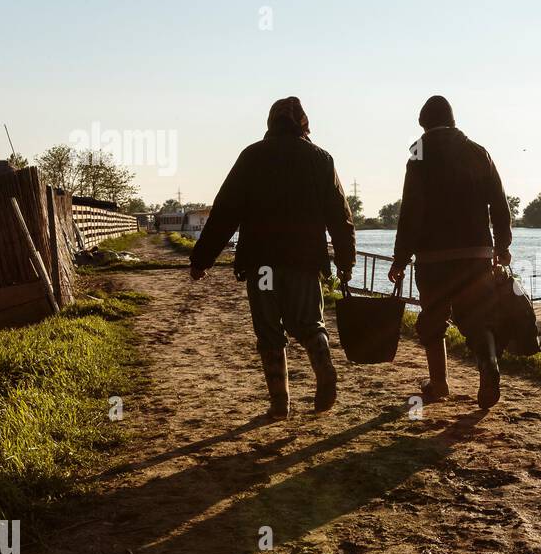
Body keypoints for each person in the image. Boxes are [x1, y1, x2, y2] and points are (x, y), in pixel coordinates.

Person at [189, 97, 356, 420]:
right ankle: (325, 370)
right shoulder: (320, 159)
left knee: (269, 332)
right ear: (304, 123)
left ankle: (280, 403)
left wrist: (202, 259)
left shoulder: (252, 156)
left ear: (270, 123)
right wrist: (346, 262)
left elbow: (225, 212)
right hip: (304, 261)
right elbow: (341, 217)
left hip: (261, 262)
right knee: (310, 324)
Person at [388, 95, 512, 409]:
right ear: (453, 121)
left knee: (433, 318)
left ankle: (440, 383)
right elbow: (499, 204)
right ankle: (488, 365)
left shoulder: (418, 154)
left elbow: (411, 211)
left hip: (434, 257)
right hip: (477, 254)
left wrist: (401, 258)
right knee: (478, 317)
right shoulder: (478, 152)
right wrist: (502, 246)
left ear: (423, 124)